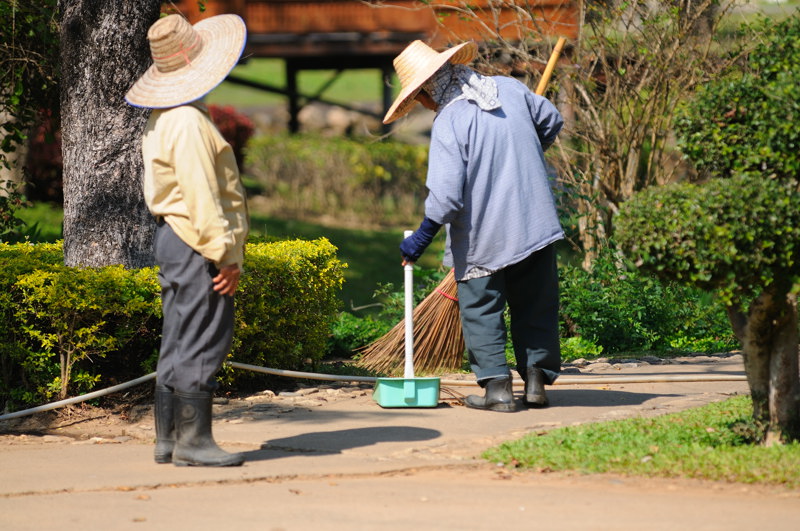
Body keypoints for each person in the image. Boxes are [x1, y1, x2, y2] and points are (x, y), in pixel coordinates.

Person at [384, 40, 564, 412]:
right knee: (536, 305)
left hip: (486, 234)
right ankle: (536, 386)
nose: (423, 104)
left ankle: (498, 392)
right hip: (535, 221)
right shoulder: (512, 89)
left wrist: (423, 234)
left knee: (481, 307)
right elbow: (551, 120)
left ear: (428, 89)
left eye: (419, 97)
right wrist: (525, 150)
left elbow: (447, 195)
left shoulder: (450, 118)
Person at [125, 14, 249, 465]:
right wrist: (226, 255)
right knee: (205, 336)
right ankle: (194, 443)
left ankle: (167, 437)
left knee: (178, 334)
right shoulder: (191, 123)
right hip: (196, 240)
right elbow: (203, 196)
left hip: (172, 238)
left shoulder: (162, 119)